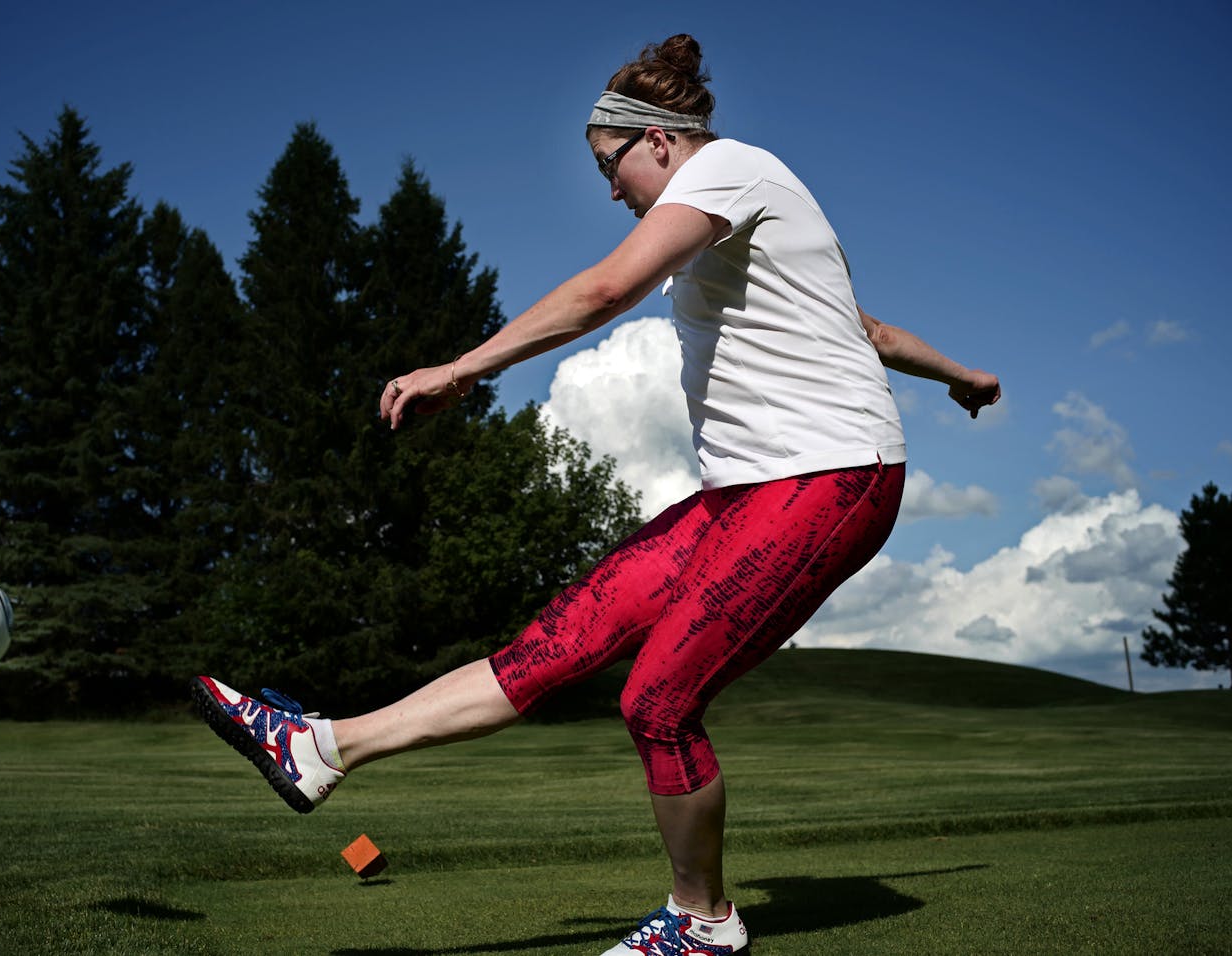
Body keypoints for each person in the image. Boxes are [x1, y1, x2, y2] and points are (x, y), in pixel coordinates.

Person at [192, 33, 1000, 956]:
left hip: (832, 477)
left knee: (658, 700)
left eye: (609, 167)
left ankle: (704, 924)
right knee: (556, 643)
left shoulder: (734, 170)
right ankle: (322, 749)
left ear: (659, 142)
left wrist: (461, 369)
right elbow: (869, 328)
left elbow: (607, 289)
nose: (609, 190)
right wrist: (961, 376)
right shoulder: (730, 218)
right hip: (746, 492)